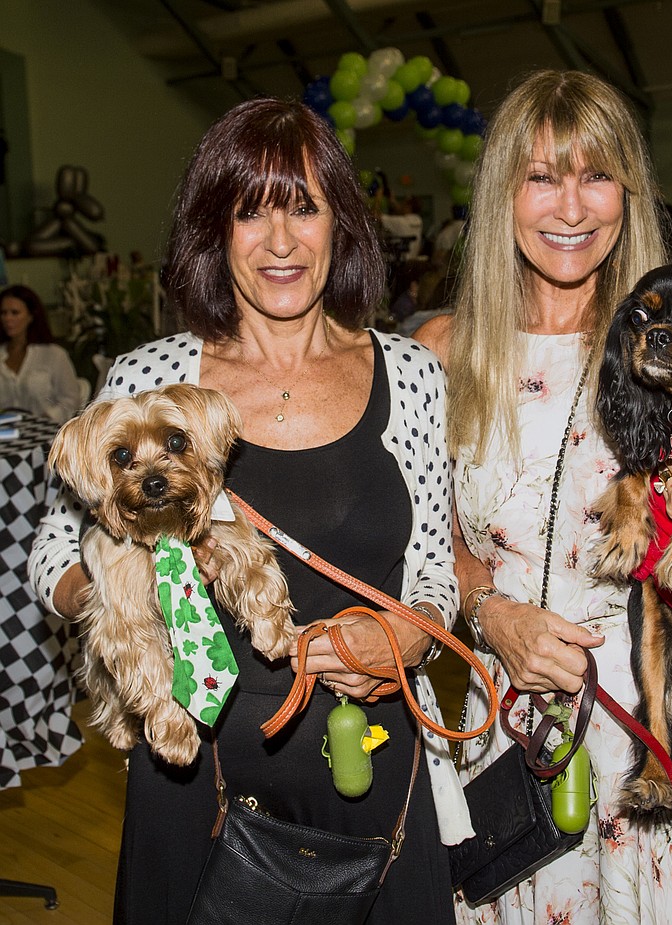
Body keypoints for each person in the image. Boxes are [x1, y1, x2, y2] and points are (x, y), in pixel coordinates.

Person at [28, 98, 467, 925]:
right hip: (193, 769)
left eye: (304, 207)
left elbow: (437, 566)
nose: (280, 241)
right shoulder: (149, 374)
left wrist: (411, 635)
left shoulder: (411, 372)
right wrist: (121, 593)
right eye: (250, 212)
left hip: (370, 758)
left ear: (341, 223)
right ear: (214, 232)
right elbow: (53, 545)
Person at [416, 70, 672, 923]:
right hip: (517, 719)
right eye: (541, 176)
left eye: (596, 175)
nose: (571, 206)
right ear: (502, 194)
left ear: (628, 192)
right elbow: (433, 539)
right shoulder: (446, 350)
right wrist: (490, 613)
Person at [0, 284, 80, 423]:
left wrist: (47, 418)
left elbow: (71, 400)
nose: (8, 319)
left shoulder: (54, 355)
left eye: (15, 313)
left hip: (47, 430)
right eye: (3, 313)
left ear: (31, 316)